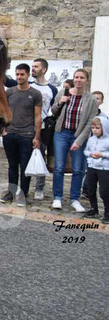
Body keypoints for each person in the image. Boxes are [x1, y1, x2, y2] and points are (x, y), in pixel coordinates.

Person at [50, 68, 98, 212]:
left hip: (78, 135)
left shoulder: (91, 99)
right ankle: (57, 197)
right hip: (61, 133)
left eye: (82, 78)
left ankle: (74, 199)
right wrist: (60, 103)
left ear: (86, 80)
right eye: (76, 77)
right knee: (59, 167)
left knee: (78, 169)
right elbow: (53, 111)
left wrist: (80, 140)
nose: (78, 80)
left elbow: (90, 122)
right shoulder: (63, 92)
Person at [1, 64, 42, 207]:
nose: (19, 77)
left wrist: (37, 137)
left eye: (22, 74)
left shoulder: (35, 94)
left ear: (28, 75)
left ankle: (23, 194)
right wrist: (3, 129)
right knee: (12, 166)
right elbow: (3, 111)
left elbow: (38, 116)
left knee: (25, 167)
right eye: (17, 74)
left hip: (27, 136)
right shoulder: (9, 92)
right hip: (10, 134)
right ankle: (11, 193)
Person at [29, 58, 58, 200]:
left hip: (43, 128)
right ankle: (23, 186)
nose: (33, 68)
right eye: (32, 66)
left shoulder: (52, 89)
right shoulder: (28, 85)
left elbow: (53, 109)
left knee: (40, 157)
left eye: (36, 66)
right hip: (26, 127)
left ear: (44, 69)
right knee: (24, 158)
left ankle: (39, 188)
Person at [82, 117, 109, 222]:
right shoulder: (91, 139)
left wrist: (102, 154)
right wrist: (90, 154)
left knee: (104, 192)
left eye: (97, 128)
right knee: (90, 189)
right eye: (93, 128)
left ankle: (107, 212)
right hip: (92, 167)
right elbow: (85, 150)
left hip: (104, 168)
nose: (94, 130)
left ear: (104, 128)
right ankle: (94, 208)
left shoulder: (107, 140)